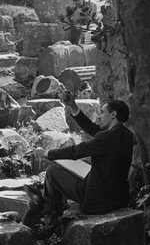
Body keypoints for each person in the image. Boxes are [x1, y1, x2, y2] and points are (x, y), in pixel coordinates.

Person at [28, 92, 135, 221]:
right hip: (118, 199)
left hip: (97, 201)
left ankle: (49, 213)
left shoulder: (106, 137)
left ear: (113, 114)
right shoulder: (127, 135)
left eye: (102, 112)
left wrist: (47, 153)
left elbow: (76, 151)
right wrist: (73, 106)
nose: (99, 117)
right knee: (76, 169)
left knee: (52, 171)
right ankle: (46, 201)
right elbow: (94, 130)